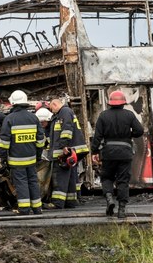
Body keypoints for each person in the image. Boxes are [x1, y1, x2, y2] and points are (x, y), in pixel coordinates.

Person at [90, 90, 144, 218]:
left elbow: (97, 136)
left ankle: (109, 199)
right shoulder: (129, 115)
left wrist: (94, 152)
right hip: (125, 152)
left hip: (108, 153)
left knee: (107, 177)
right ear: (123, 103)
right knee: (123, 180)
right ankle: (122, 210)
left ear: (110, 103)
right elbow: (140, 131)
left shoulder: (103, 116)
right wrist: (129, 135)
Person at [0, 90, 46, 215]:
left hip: (16, 160)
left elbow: (4, 143)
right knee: (33, 182)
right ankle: (37, 208)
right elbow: (41, 140)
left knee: (21, 183)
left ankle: (24, 209)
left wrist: (3, 158)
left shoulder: (9, 119)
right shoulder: (33, 118)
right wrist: (37, 155)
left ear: (13, 103)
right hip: (31, 158)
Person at [44, 97, 89, 210]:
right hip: (71, 151)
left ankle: (57, 203)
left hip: (65, 151)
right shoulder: (65, 113)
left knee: (60, 178)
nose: (51, 111)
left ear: (54, 104)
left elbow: (67, 130)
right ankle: (70, 201)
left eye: (51, 108)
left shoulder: (64, 112)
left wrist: (65, 145)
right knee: (70, 177)